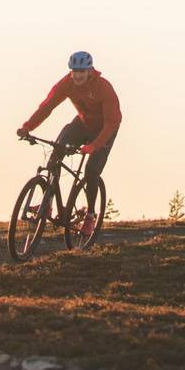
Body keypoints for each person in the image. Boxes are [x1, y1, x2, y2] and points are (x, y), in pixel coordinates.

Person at [16, 51, 121, 239]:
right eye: (74, 71)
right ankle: (47, 204)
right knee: (55, 154)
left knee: (91, 172)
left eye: (82, 71)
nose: (78, 75)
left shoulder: (103, 88)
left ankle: (90, 215)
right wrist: (27, 127)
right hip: (82, 123)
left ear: (90, 71)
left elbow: (112, 123)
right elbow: (47, 106)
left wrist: (94, 145)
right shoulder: (67, 83)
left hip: (105, 129)